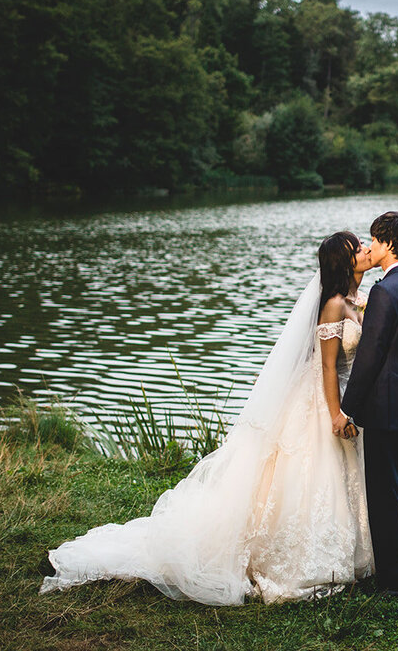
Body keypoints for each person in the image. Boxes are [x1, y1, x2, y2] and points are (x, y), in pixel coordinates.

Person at [39, 231, 375, 605]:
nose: (365, 249)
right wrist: (334, 414)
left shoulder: (356, 300)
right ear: (343, 263)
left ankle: (352, 553)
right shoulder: (331, 304)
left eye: (364, 244)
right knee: (310, 476)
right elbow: (327, 367)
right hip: (321, 402)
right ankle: (296, 560)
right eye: (357, 248)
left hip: (344, 398)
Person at [339, 212, 398, 597]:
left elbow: (370, 358)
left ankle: (395, 581)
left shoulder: (384, 291)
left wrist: (348, 409)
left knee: (383, 493)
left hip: (384, 407)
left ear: (390, 243)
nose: (371, 246)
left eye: (375, 240)